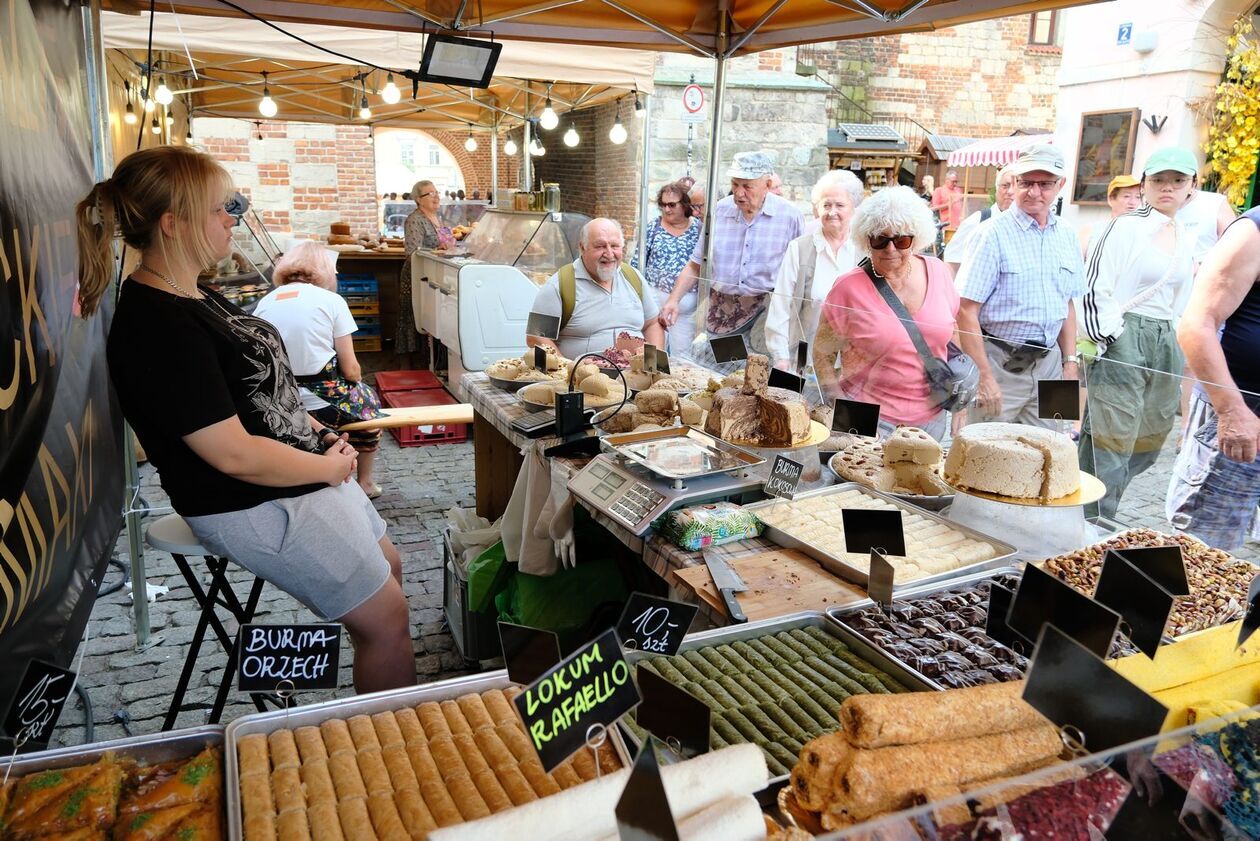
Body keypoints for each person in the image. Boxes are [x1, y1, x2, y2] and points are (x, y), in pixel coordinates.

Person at [79, 145, 413, 693]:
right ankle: (396, 752)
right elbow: (232, 453)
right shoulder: (158, 327)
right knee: (387, 621)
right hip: (250, 499)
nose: (235, 218)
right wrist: (325, 471)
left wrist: (317, 431)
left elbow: (261, 397)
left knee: (392, 569)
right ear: (173, 224)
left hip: (293, 472)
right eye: (224, 206)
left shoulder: (195, 292)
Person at [1077, 148, 1198, 519]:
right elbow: (1095, 285)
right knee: (1111, 440)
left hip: (1165, 338)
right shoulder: (1124, 226)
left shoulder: (1185, 234)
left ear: (1192, 187)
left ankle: (1089, 502)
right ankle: (1093, 521)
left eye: (1178, 181)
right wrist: (1111, 337)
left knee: (1150, 437)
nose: (1168, 188)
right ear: (1144, 184)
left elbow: (1183, 297)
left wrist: (1178, 340)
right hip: (1126, 332)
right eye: (1159, 180)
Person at [814, 186, 960, 441]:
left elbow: (953, 333)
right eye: (879, 240)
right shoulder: (848, 287)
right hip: (868, 419)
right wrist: (840, 409)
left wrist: (959, 403)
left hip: (932, 421)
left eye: (901, 240)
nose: (890, 249)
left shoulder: (939, 272)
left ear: (916, 239)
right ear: (866, 240)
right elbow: (822, 354)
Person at [955, 144, 1085, 427]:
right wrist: (984, 376)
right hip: (1000, 365)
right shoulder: (990, 235)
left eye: (1045, 184)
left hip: (1051, 366)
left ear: (1060, 185)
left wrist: (1070, 364)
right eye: (1026, 182)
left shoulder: (1067, 235)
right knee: (985, 455)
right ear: (1014, 183)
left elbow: (1067, 304)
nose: (1034, 192)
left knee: (1051, 450)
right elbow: (965, 312)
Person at [254, 241, 384, 499]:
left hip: (280, 401)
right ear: (324, 270)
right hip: (321, 403)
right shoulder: (331, 300)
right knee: (370, 409)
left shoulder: (265, 302)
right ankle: (366, 482)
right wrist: (357, 382)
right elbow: (350, 369)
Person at [1166, 207, 1260, 550]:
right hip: (1241, 412)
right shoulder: (1252, 232)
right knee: (1201, 551)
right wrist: (1231, 411)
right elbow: (1195, 326)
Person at [659, 151, 804, 353]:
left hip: (768, 314)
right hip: (723, 313)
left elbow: (800, 273)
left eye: (747, 186)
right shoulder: (718, 212)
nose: (738, 192)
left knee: (758, 377)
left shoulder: (790, 216)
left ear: (768, 185)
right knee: (721, 375)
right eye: (735, 184)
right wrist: (673, 300)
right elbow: (695, 264)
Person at [765, 169, 863, 371]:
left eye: (839, 205)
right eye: (826, 205)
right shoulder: (799, 248)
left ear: (854, 208)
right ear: (817, 209)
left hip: (852, 361)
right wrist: (781, 356)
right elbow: (781, 304)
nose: (831, 211)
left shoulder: (865, 251)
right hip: (804, 358)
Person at [526, 218, 664, 359]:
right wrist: (567, 372)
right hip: (582, 378)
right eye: (600, 246)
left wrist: (653, 365)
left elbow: (652, 324)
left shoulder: (634, 277)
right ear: (582, 247)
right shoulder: (558, 285)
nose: (609, 254)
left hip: (635, 376)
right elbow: (535, 338)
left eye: (615, 246)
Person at [631, 183, 702, 355]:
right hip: (654, 303)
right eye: (662, 205)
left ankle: (674, 381)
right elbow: (637, 263)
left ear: (685, 204)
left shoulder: (699, 228)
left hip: (686, 309)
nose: (666, 209)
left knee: (682, 355)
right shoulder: (653, 227)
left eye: (672, 205)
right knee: (652, 352)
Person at [396, 179, 444, 357]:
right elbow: (413, 252)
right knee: (413, 315)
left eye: (437, 192)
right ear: (418, 199)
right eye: (430, 193)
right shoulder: (415, 220)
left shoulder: (437, 218)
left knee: (429, 316)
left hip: (432, 274)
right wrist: (439, 250)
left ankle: (429, 360)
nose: (436, 196)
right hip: (416, 275)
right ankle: (410, 362)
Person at [945, 166, 1016, 272]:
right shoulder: (977, 221)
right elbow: (952, 261)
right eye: (1005, 186)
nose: (1010, 191)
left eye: (1017, 187)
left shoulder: (1028, 227)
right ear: (996, 190)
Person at [1079, 175, 1142, 257]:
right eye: (1127, 196)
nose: (1133, 202)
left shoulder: (1143, 234)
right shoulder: (1092, 231)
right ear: (1111, 199)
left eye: (1138, 197)